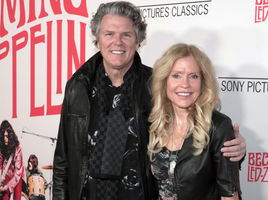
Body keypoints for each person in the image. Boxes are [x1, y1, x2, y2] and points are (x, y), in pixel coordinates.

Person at [52, 1, 246, 200]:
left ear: (138, 40)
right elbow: (63, 160)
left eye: (126, 35)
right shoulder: (78, 86)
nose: (117, 42)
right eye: (109, 34)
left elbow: (193, 132)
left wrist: (231, 147)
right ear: (98, 40)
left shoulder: (157, 87)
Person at [148, 43, 242, 200]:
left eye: (193, 76)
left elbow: (229, 195)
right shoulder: (155, 123)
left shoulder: (218, 127)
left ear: (203, 82)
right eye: (176, 75)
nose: (184, 84)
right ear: (165, 81)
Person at [0, 120, 27, 200]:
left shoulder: (18, 149)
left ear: (10, 136)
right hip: (7, 174)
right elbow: (0, 167)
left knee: (17, 197)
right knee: (4, 198)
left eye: (7, 136)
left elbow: (17, 173)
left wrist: (6, 187)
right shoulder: (1, 148)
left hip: (17, 175)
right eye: (3, 136)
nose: (5, 139)